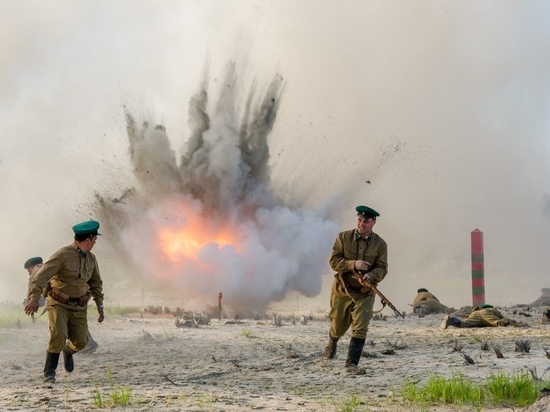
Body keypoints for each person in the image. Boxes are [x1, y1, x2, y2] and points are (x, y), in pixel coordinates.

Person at [24, 220, 105, 383]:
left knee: (81, 342)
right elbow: (41, 276)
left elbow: (96, 283)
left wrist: (100, 305)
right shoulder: (62, 255)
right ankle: (49, 372)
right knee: (58, 336)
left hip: (79, 306)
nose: (95, 243)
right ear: (87, 239)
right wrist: (33, 298)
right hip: (58, 304)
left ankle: (68, 352)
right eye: (94, 240)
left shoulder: (91, 258)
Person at [323, 205, 388, 375]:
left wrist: (371, 276)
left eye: (366, 221)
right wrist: (353, 264)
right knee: (337, 326)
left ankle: (351, 364)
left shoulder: (380, 244)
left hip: (365, 293)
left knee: (360, 327)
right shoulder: (343, 238)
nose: (362, 224)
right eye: (359, 220)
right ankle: (332, 342)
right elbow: (333, 261)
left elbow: (382, 268)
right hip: (342, 291)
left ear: (373, 222)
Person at [24, 256, 100, 351]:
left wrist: (30, 301)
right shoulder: (51, 266)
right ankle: (85, 342)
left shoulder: (36, 271)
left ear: (31, 267)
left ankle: (88, 343)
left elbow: (34, 289)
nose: (29, 273)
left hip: (62, 299)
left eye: (28, 270)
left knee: (64, 321)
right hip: (74, 295)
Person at [441, 304, 523, 328]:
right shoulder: (491, 309)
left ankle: (451, 320)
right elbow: (500, 317)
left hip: (475, 314)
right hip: (485, 314)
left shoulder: (476, 311)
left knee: (464, 324)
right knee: (498, 322)